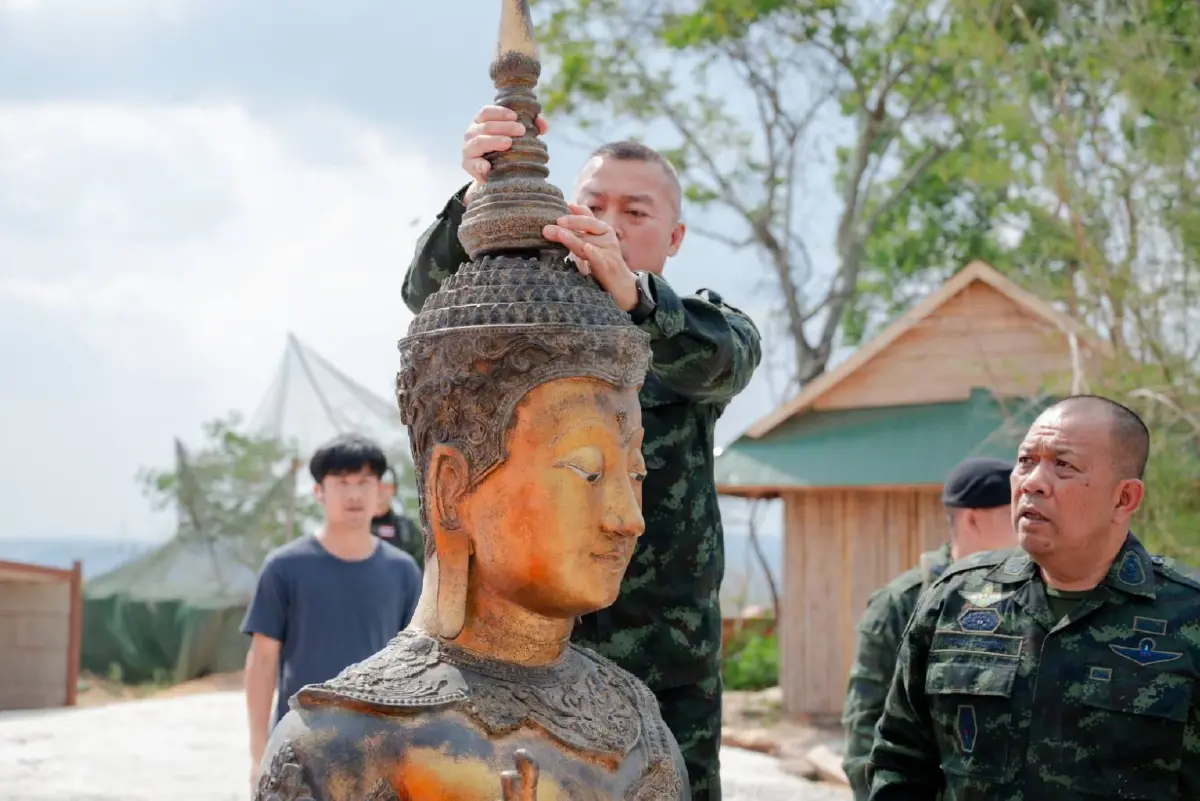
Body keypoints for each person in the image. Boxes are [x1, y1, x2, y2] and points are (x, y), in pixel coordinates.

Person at [402, 106, 762, 800]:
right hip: (521, 646)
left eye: (636, 211)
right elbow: (426, 295)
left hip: (662, 657)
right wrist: (479, 195)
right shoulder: (529, 313)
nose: (610, 223)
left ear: (674, 237)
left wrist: (635, 300)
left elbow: (726, 358)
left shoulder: (689, 329)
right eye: (593, 204)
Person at [867, 395, 1200, 800]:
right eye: (1025, 461)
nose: (1032, 482)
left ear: (1124, 498)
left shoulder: (1188, 615)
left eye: (1064, 465)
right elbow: (900, 759)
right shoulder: (954, 600)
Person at [241, 433, 422, 783]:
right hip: (298, 752)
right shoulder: (283, 568)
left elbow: (415, 666)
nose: (354, 494)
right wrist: (258, 755)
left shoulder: (403, 572)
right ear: (319, 492)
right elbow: (262, 661)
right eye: (341, 482)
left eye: (364, 482)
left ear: (380, 491)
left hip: (380, 752)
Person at [841, 456, 1017, 799]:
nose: (1027, 522)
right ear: (973, 519)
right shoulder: (902, 604)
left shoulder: (1027, 596)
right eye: (1013, 512)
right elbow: (865, 729)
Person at [369, 465, 424, 567]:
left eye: (385, 486)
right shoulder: (352, 526)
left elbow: (422, 565)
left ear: (394, 490)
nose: (380, 490)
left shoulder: (406, 530)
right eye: (375, 485)